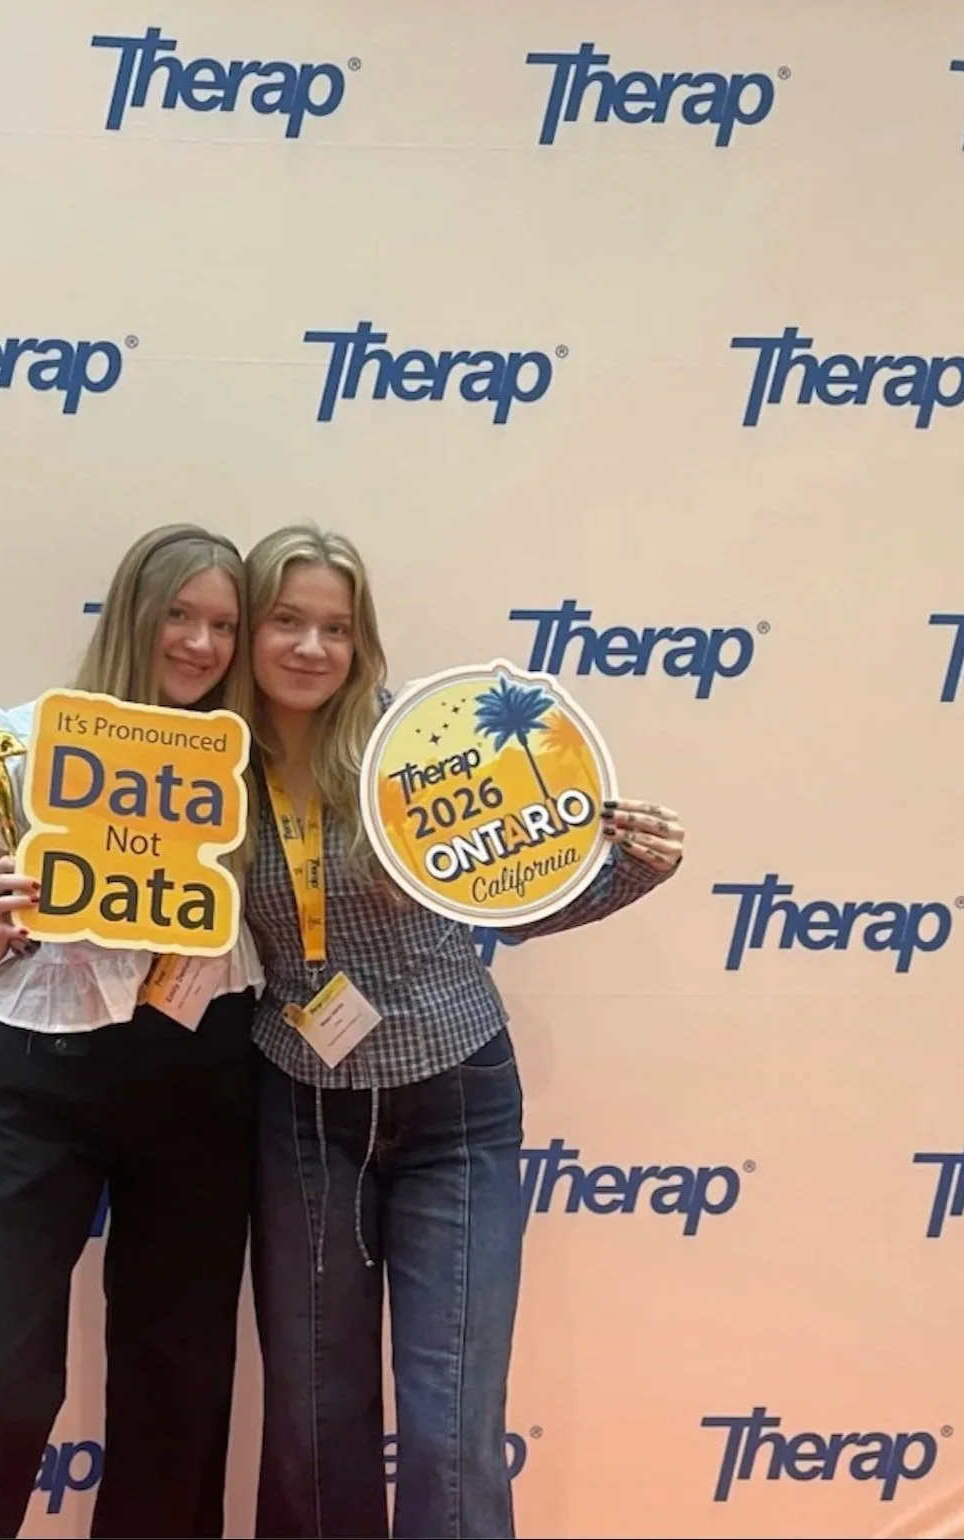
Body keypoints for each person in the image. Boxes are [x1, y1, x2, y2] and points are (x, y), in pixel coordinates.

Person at [237, 524, 687, 1539]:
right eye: (288, 621)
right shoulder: (212, 768)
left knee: (448, 1428)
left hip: (455, 1103)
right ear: (253, 631)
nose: (311, 647)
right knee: (314, 1418)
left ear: (362, 642)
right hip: (303, 1114)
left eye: (336, 628)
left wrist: (625, 872)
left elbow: (512, 902)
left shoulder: (416, 748)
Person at [0, 524, 265, 1540]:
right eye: (180, 616)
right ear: (133, 615)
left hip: (201, 1070)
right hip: (41, 1076)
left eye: (223, 625)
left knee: (176, 1384)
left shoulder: (254, 765)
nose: (199, 643)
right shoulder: (18, 742)